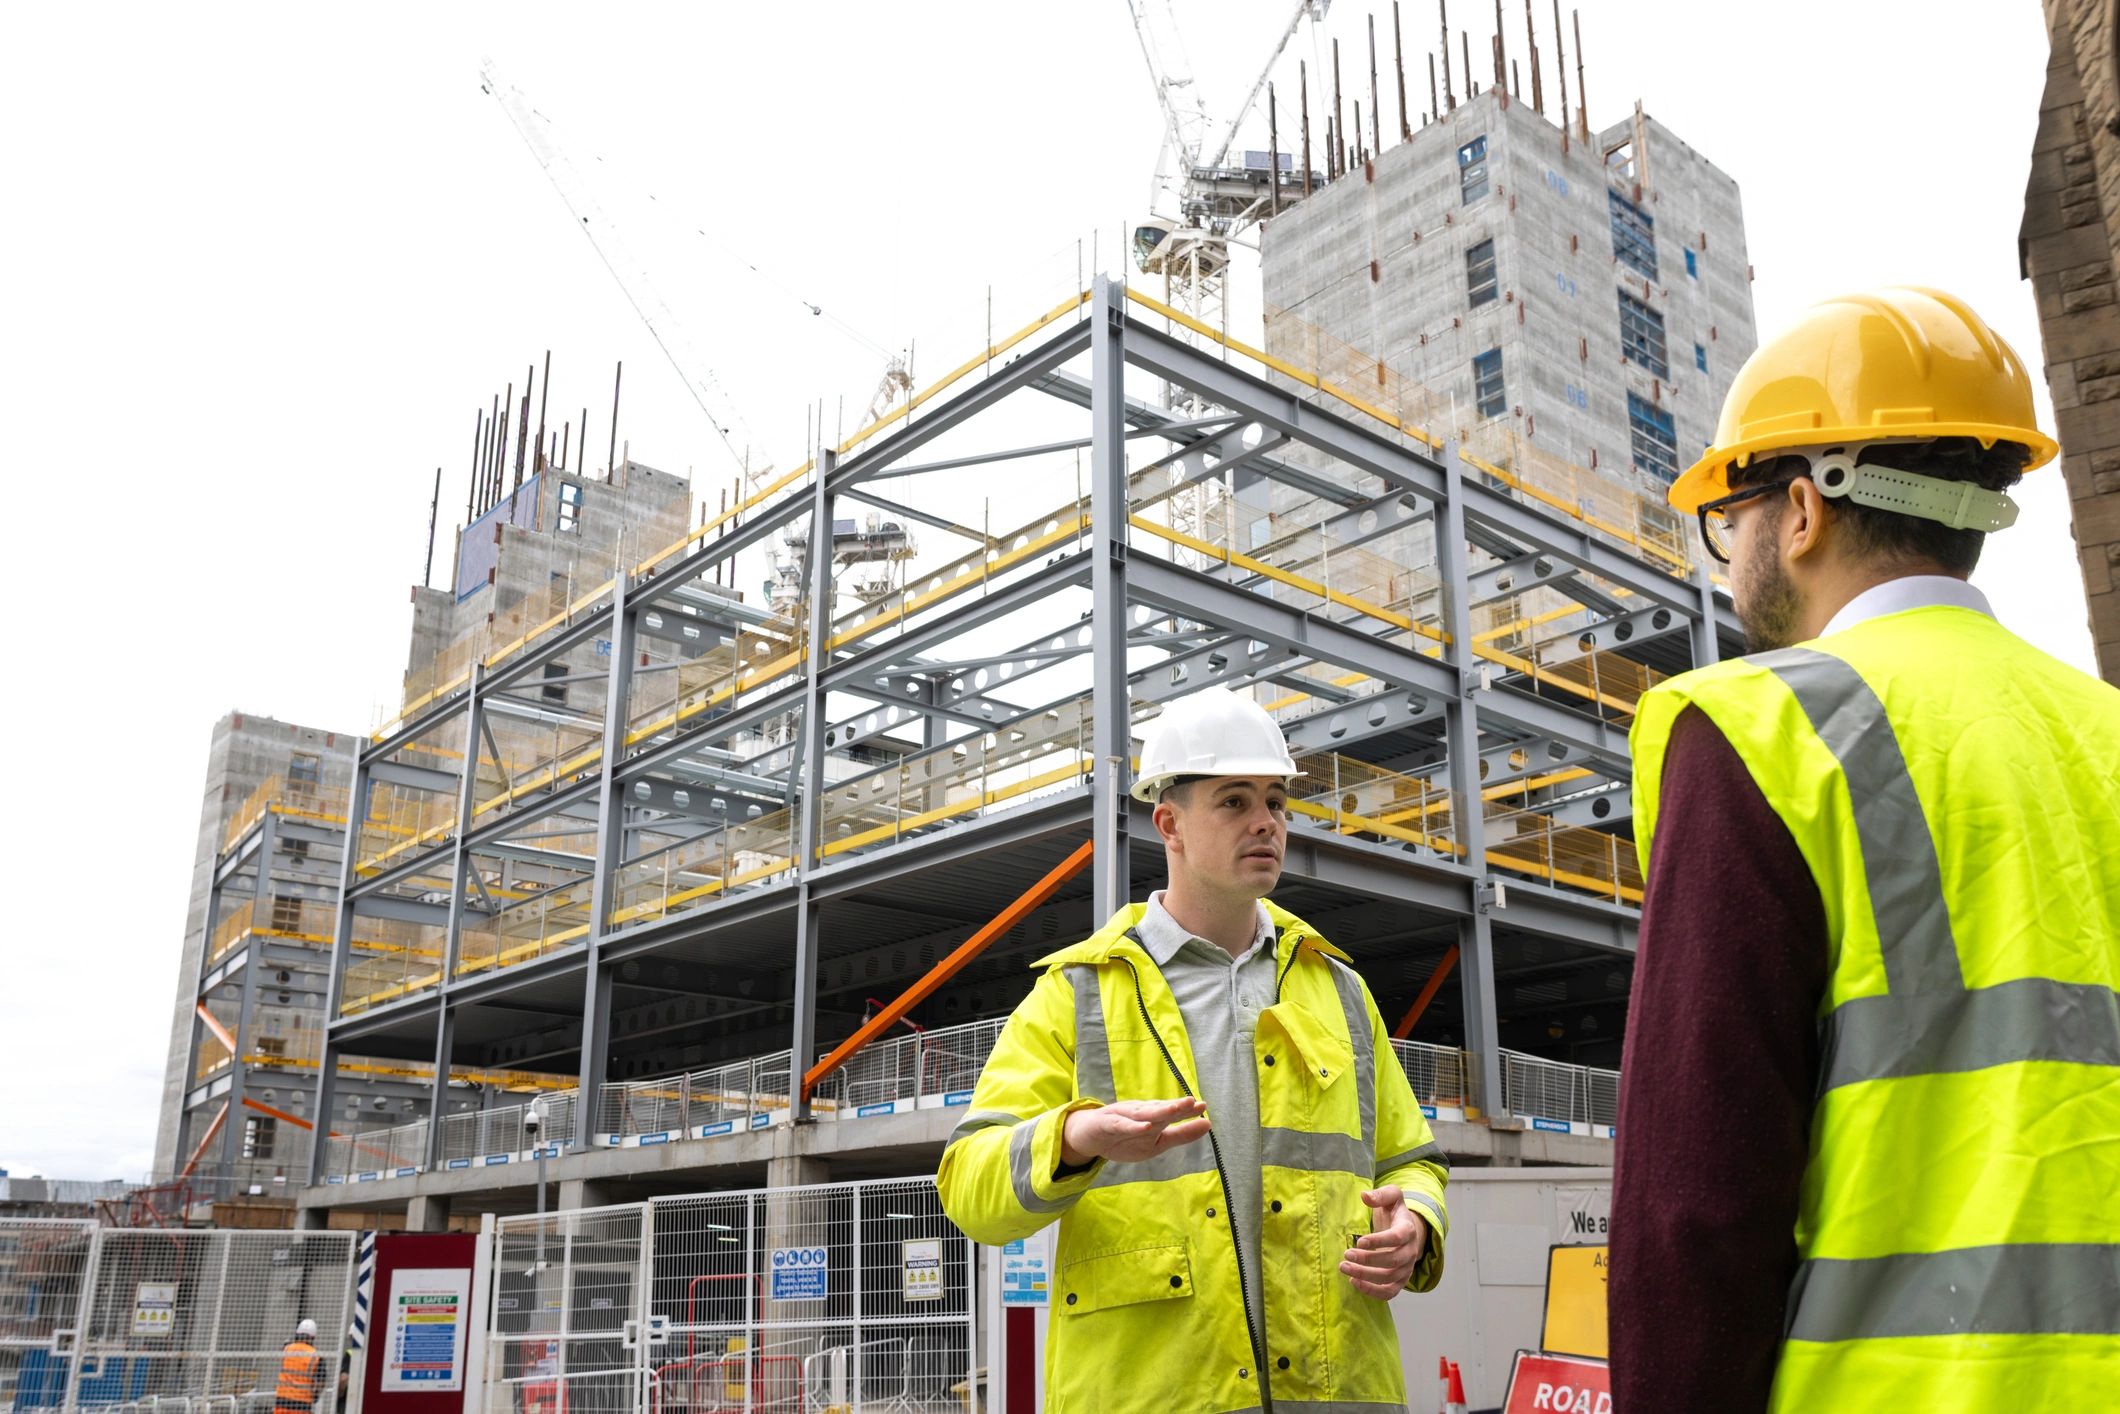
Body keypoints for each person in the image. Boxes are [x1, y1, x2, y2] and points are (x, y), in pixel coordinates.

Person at [1610, 285, 2120, 1411]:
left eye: (1729, 519)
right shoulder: (2106, 731)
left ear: (1799, 511)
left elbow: (1696, 1208)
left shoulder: (1761, 729)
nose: (1730, 556)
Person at [937, 686, 1450, 1413]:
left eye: (1276, 802)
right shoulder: (1080, 993)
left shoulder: (1337, 989)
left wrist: (1416, 1220)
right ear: (1169, 823)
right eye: (1234, 801)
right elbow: (970, 1188)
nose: (1266, 822)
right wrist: (1073, 1140)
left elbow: (1412, 1160)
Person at [273, 1318, 325, 1414]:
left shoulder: (287, 1349)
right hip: (302, 1403)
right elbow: (320, 1383)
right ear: (313, 1337)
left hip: (282, 1400)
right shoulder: (316, 1356)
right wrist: (315, 1395)